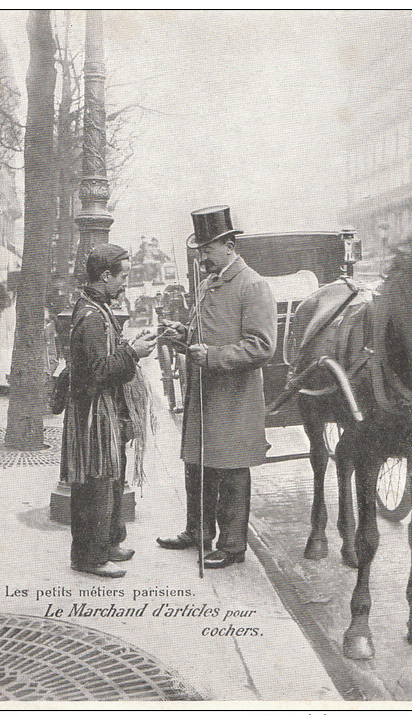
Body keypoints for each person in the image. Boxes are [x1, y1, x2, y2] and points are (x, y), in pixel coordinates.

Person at [157, 206, 277, 568]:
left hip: (234, 398)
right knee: (197, 464)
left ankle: (233, 545)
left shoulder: (252, 285)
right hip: (204, 395)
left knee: (232, 470)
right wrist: (183, 335)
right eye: (200, 250)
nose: (202, 257)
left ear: (228, 244)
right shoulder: (209, 284)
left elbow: (262, 346)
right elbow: (205, 334)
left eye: (208, 249)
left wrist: (211, 357)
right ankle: (197, 531)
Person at [60, 244, 157, 577]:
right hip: (94, 414)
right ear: (105, 276)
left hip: (103, 410)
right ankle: (89, 557)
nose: (125, 284)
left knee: (111, 478)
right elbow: (99, 370)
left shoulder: (95, 307)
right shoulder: (91, 317)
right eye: (123, 276)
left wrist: (129, 347)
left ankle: (108, 543)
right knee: (96, 483)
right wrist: (133, 351)